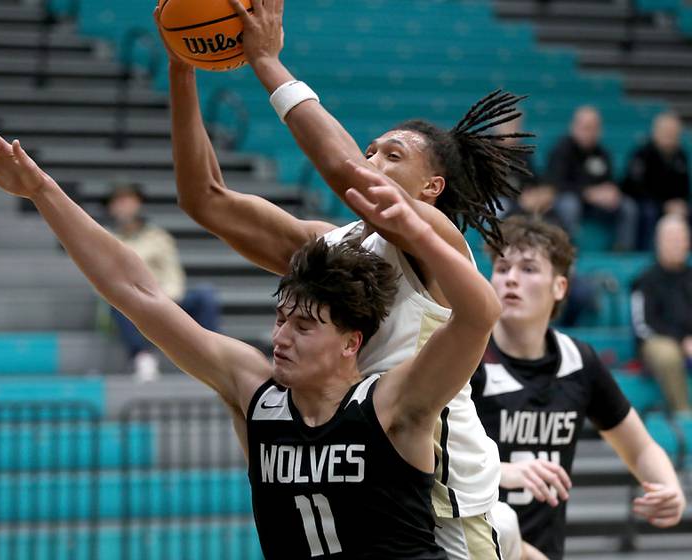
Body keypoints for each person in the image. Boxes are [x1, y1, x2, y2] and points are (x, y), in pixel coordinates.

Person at [0, 128, 502, 559]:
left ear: (351, 342)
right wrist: (43, 191)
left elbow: (477, 316)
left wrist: (416, 226)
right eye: (282, 319)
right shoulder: (256, 392)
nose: (280, 338)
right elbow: (135, 291)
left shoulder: (395, 405)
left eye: (304, 327)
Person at [159, 2, 529, 554]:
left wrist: (265, 61)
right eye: (371, 148)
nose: (373, 159)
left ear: (431, 187)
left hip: (446, 495)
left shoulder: (438, 241)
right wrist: (182, 66)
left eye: (393, 154)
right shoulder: (334, 246)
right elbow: (204, 200)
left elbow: (344, 172)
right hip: (372, 472)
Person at [470, 216, 686, 559]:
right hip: (477, 546)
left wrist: (669, 487)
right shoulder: (467, 357)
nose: (511, 278)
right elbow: (432, 461)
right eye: (502, 267)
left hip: (546, 549)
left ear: (560, 287)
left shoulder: (578, 361)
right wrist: (502, 472)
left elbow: (641, 449)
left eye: (528, 269)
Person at [106, 182, 221, 380]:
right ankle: (142, 357)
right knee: (117, 303)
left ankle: (211, 355)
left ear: (138, 203)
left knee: (205, 294)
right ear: (111, 206)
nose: (124, 205)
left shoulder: (159, 236)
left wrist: (167, 299)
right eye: (119, 200)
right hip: (134, 303)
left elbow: (173, 273)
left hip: (168, 298)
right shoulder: (106, 239)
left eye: (128, 199)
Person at [545, 106, 638, 251]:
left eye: (594, 128)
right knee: (569, 204)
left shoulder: (602, 153)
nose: (590, 133)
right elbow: (556, 184)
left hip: (597, 205)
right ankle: (568, 249)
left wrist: (611, 192)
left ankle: (623, 250)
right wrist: (588, 193)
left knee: (627, 206)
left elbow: (609, 180)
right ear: (574, 127)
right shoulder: (561, 150)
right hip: (570, 201)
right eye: (586, 127)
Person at [631, 214, 692, 415]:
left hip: (687, 341)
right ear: (659, 242)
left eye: (681, 238)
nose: (676, 244)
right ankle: (684, 416)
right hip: (656, 341)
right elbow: (643, 325)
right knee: (668, 355)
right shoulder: (645, 279)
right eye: (671, 239)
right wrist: (681, 340)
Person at [622, 112, 690, 250]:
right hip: (645, 201)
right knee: (648, 211)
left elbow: (684, 186)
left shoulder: (680, 156)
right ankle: (644, 251)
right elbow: (635, 187)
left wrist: (680, 202)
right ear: (656, 132)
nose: (670, 136)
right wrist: (664, 204)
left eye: (674, 133)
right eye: (667, 132)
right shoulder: (642, 154)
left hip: (670, 203)